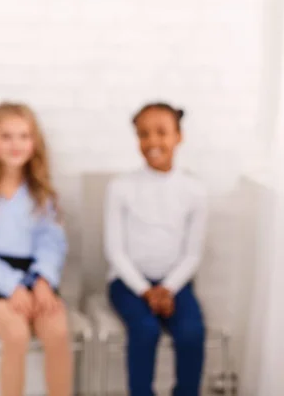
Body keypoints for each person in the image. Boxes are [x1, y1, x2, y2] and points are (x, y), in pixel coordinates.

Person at [0, 102, 73, 396]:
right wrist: (12, 287)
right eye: (6, 136)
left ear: (35, 143)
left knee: (58, 332)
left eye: (24, 136)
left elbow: (52, 242)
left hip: (35, 277)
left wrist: (42, 281)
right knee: (16, 333)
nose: (16, 144)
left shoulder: (41, 192)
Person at [104, 102, 207, 396]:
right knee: (145, 330)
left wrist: (168, 288)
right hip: (128, 284)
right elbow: (116, 251)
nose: (152, 142)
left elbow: (192, 253)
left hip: (176, 285)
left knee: (191, 333)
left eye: (161, 132)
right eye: (144, 134)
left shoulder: (195, 190)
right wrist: (145, 290)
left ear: (179, 136)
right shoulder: (120, 187)